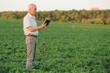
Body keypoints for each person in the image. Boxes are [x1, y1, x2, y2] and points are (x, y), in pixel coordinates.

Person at [23, 3, 47, 69]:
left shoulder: (33, 18)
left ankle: (31, 67)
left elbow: (35, 30)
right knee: (30, 55)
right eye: (35, 9)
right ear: (30, 9)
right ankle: (29, 69)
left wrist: (42, 27)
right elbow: (30, 29)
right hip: (30, 37)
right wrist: (40, 26)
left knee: (33, 55)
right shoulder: (27, 18)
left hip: (34, 37)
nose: (36, 10)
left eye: (36, 8)